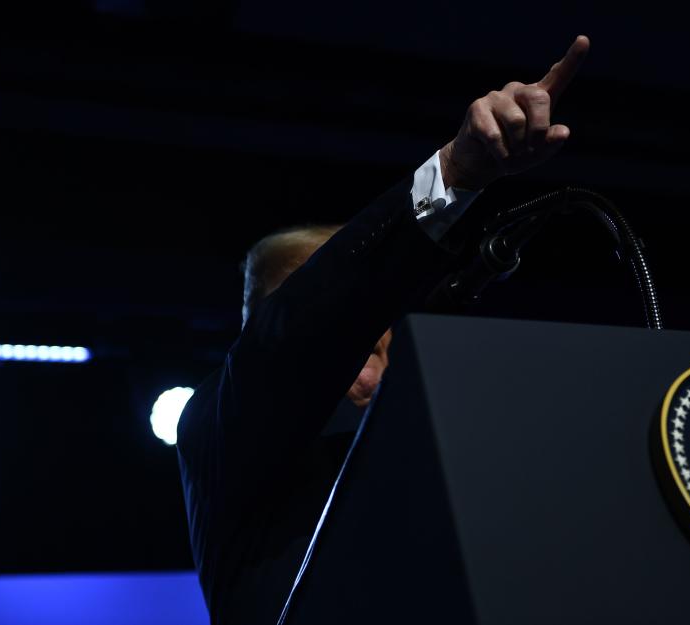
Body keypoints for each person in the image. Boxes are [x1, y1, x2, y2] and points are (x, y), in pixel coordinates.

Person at [176, 34, 591, 625]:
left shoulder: (441, 439)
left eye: (380, 310)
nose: (368, 326)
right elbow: (306, 330)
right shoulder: (219, 421)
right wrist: (450, 174)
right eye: (350, 306)